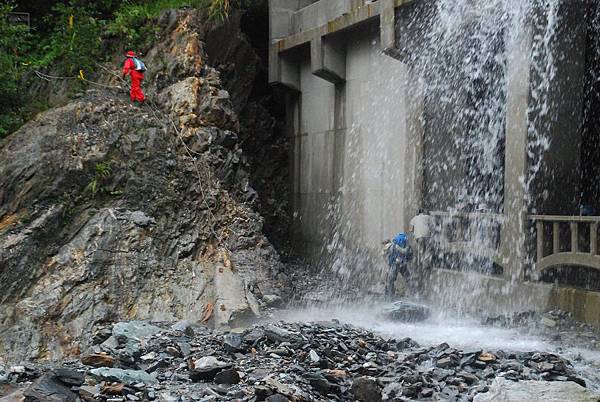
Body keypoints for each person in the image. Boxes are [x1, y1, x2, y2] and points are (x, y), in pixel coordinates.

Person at [383, 232, 413, 298]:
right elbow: (410, 256)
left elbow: (387, 257)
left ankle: (391, 296)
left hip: (395, 264)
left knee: (390, 280)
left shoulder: (390, 246)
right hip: (403, 263)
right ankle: (414, 294)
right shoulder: (406, 244)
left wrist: (390, 264)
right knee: (408, 279)